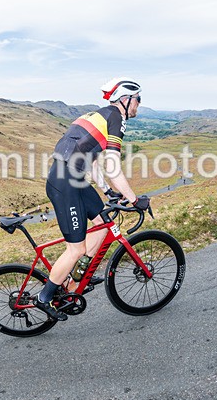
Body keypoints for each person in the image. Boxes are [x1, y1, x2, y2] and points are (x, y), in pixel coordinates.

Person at [35, 78, 150, 320]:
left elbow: (95, 160)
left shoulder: (99, 115)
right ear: (126, 99)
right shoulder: (115, 118)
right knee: (75, 249)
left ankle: (79, 275)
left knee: (101, 222)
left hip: (73, 178)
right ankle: (44, 297)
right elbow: (112, 164)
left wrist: (107, 191)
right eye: (138, 99)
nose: (139, 104)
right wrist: (133, 198)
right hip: (65, 182)